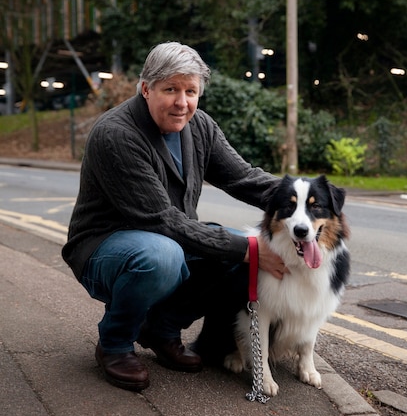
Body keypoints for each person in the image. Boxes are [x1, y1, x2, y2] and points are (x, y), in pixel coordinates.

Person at [62, 42, 286, 392]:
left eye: (191, 91)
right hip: (106, 247)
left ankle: (162, 329)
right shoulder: (116, 135)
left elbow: (243, 178)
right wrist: (247, 249)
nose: (182, 102)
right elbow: (161, 219)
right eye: (171, 90)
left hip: (169, 237)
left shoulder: (199, 127)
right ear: (146, 88)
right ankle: (115, 344)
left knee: (234, 254)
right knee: (165, 257)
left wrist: (301, 199)